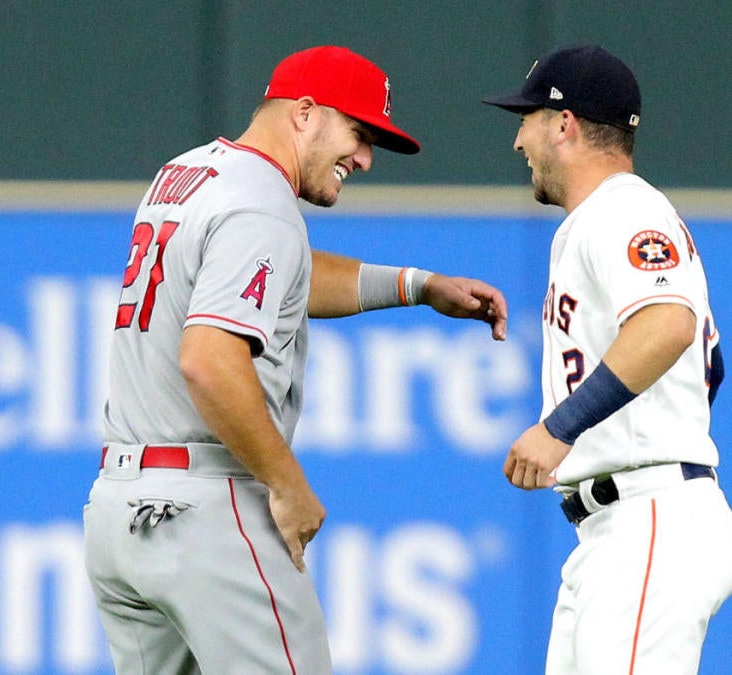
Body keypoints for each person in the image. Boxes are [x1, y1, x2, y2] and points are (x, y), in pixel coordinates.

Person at [83, 45, 508, 675]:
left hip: (119, 509)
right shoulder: (262, 203)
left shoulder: (188, 172)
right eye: (359, 134)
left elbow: (283, 279)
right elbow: (208, 357)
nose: (363, 159)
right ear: (305, 113)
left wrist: (417, 285)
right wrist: (287, 485)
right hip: (208, 505)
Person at [484, 44, 732, 674]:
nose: (519, 141)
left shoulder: (623, 209)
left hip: (649, 517)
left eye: (527, 120)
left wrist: (559, 427)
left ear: (563, 123)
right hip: (615, 527)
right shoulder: (601, 219)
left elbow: (669, 324)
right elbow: (709, 365)